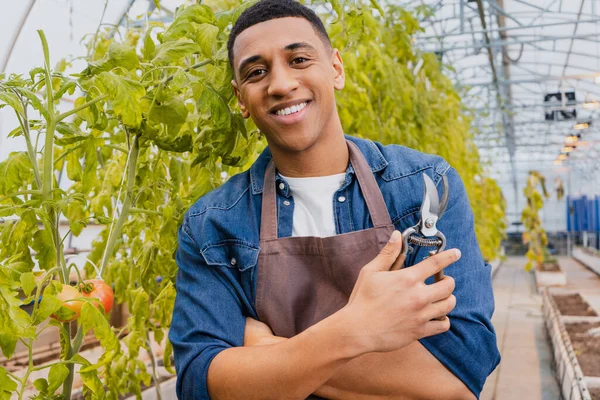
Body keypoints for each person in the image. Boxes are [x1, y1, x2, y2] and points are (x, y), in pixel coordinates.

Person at [168, 1, 500, 399]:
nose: (280, 83)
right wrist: (356, 330)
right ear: (241, 99)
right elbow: (201, 383)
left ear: (336, 69)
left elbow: (460, 374)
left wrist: (264, 348)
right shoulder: (213, 226)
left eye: (299, 59)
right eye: (257, 72)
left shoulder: (421, 187)